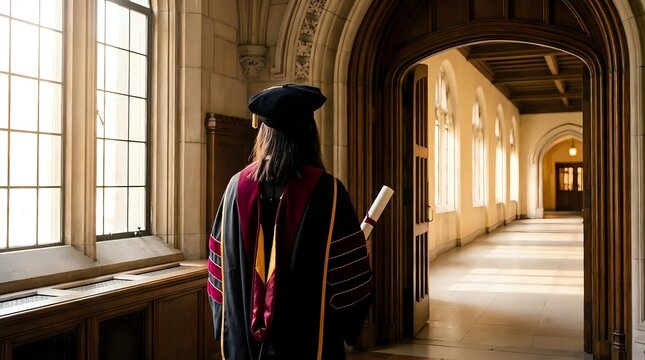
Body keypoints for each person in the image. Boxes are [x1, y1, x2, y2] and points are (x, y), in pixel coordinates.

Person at [207, 84, 373, 360]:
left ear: (265, 134)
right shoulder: (328, 192)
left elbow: (218, 271)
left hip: (244, 341)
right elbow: (350, 279)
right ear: (309, 134)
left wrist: (229, 325)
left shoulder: (235, 187)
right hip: (307, 343)